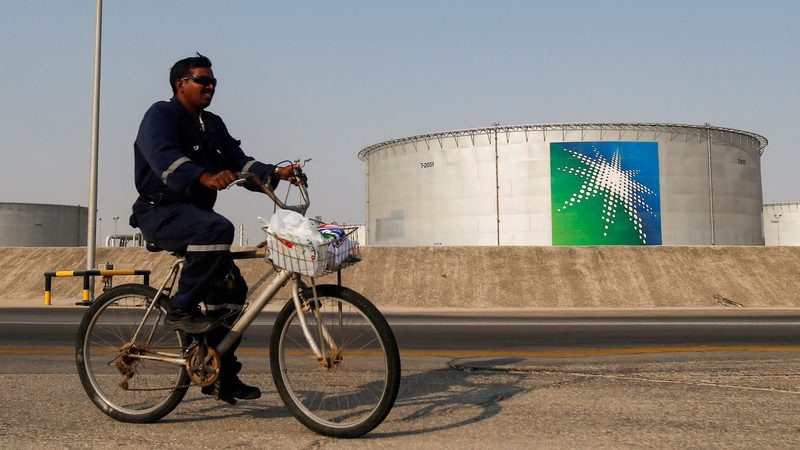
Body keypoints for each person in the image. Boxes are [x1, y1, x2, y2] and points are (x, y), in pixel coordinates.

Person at [130, 53, 296, 404]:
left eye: (213, 81)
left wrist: (275, 173)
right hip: (161, 211)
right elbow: (163, 159)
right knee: (217, 228)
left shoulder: (213, 124)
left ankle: (220, 376)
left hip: (193, 215)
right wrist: (202, 175)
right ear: (180, 84)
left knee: (232, 292)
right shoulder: (161, 115)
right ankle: (180, 307)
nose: (210, 86)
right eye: (202, 81)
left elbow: (240, 162)